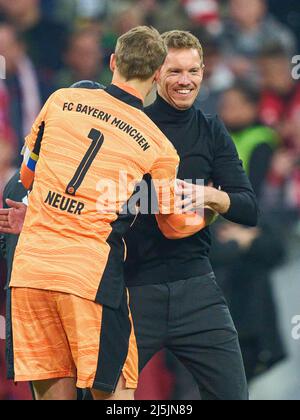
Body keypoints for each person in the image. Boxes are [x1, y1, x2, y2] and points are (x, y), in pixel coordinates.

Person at [0, 26, 208, 401]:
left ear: (113, 62)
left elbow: (27, 178)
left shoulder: (60, 100)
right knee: (115, 397)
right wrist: (208, 210)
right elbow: (173, 225)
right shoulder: (159, 145)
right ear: (159, 74)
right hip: (89, 280)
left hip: (30, 272)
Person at [124, 30, 258, 400]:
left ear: (204, 73)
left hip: (198, 288)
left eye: (194, 71)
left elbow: (248, 208)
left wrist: (210, 196)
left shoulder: (211, 130)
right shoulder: (129, 126)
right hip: (134, 290)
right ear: (154, 73)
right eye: (174, 71)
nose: (185, 81)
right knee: (98, 397)